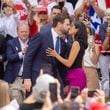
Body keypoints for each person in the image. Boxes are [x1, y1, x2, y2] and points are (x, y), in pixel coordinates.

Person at [22, 15, 71, 93]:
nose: (69, 27)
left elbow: (61, 66)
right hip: (36, 77)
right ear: (59, 24)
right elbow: (28, 56)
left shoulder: (62, 43)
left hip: (51, 79)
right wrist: (27, 78)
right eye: (67, 24)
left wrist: (66, 84)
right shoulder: (41, 35)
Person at [46, 20, 88, 92]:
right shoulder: (78, 43)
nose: (69, 28)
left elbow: (69, 63)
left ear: (77, 29)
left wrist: (56, 55)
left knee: (74, 101)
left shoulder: (76, 43)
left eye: (72, 26)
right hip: (77, 74)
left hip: (76, 75)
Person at [4, 23, 29, 104]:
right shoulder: (11, 42)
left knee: (27, 104)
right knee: (16, 104)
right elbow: (10, 57)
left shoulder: (33, 42)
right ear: (17, 32)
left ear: (29, 32)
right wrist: (22, 53)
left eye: (26, 31)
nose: (24, 33)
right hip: (15, 79)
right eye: (22, 32)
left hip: (28, 78)